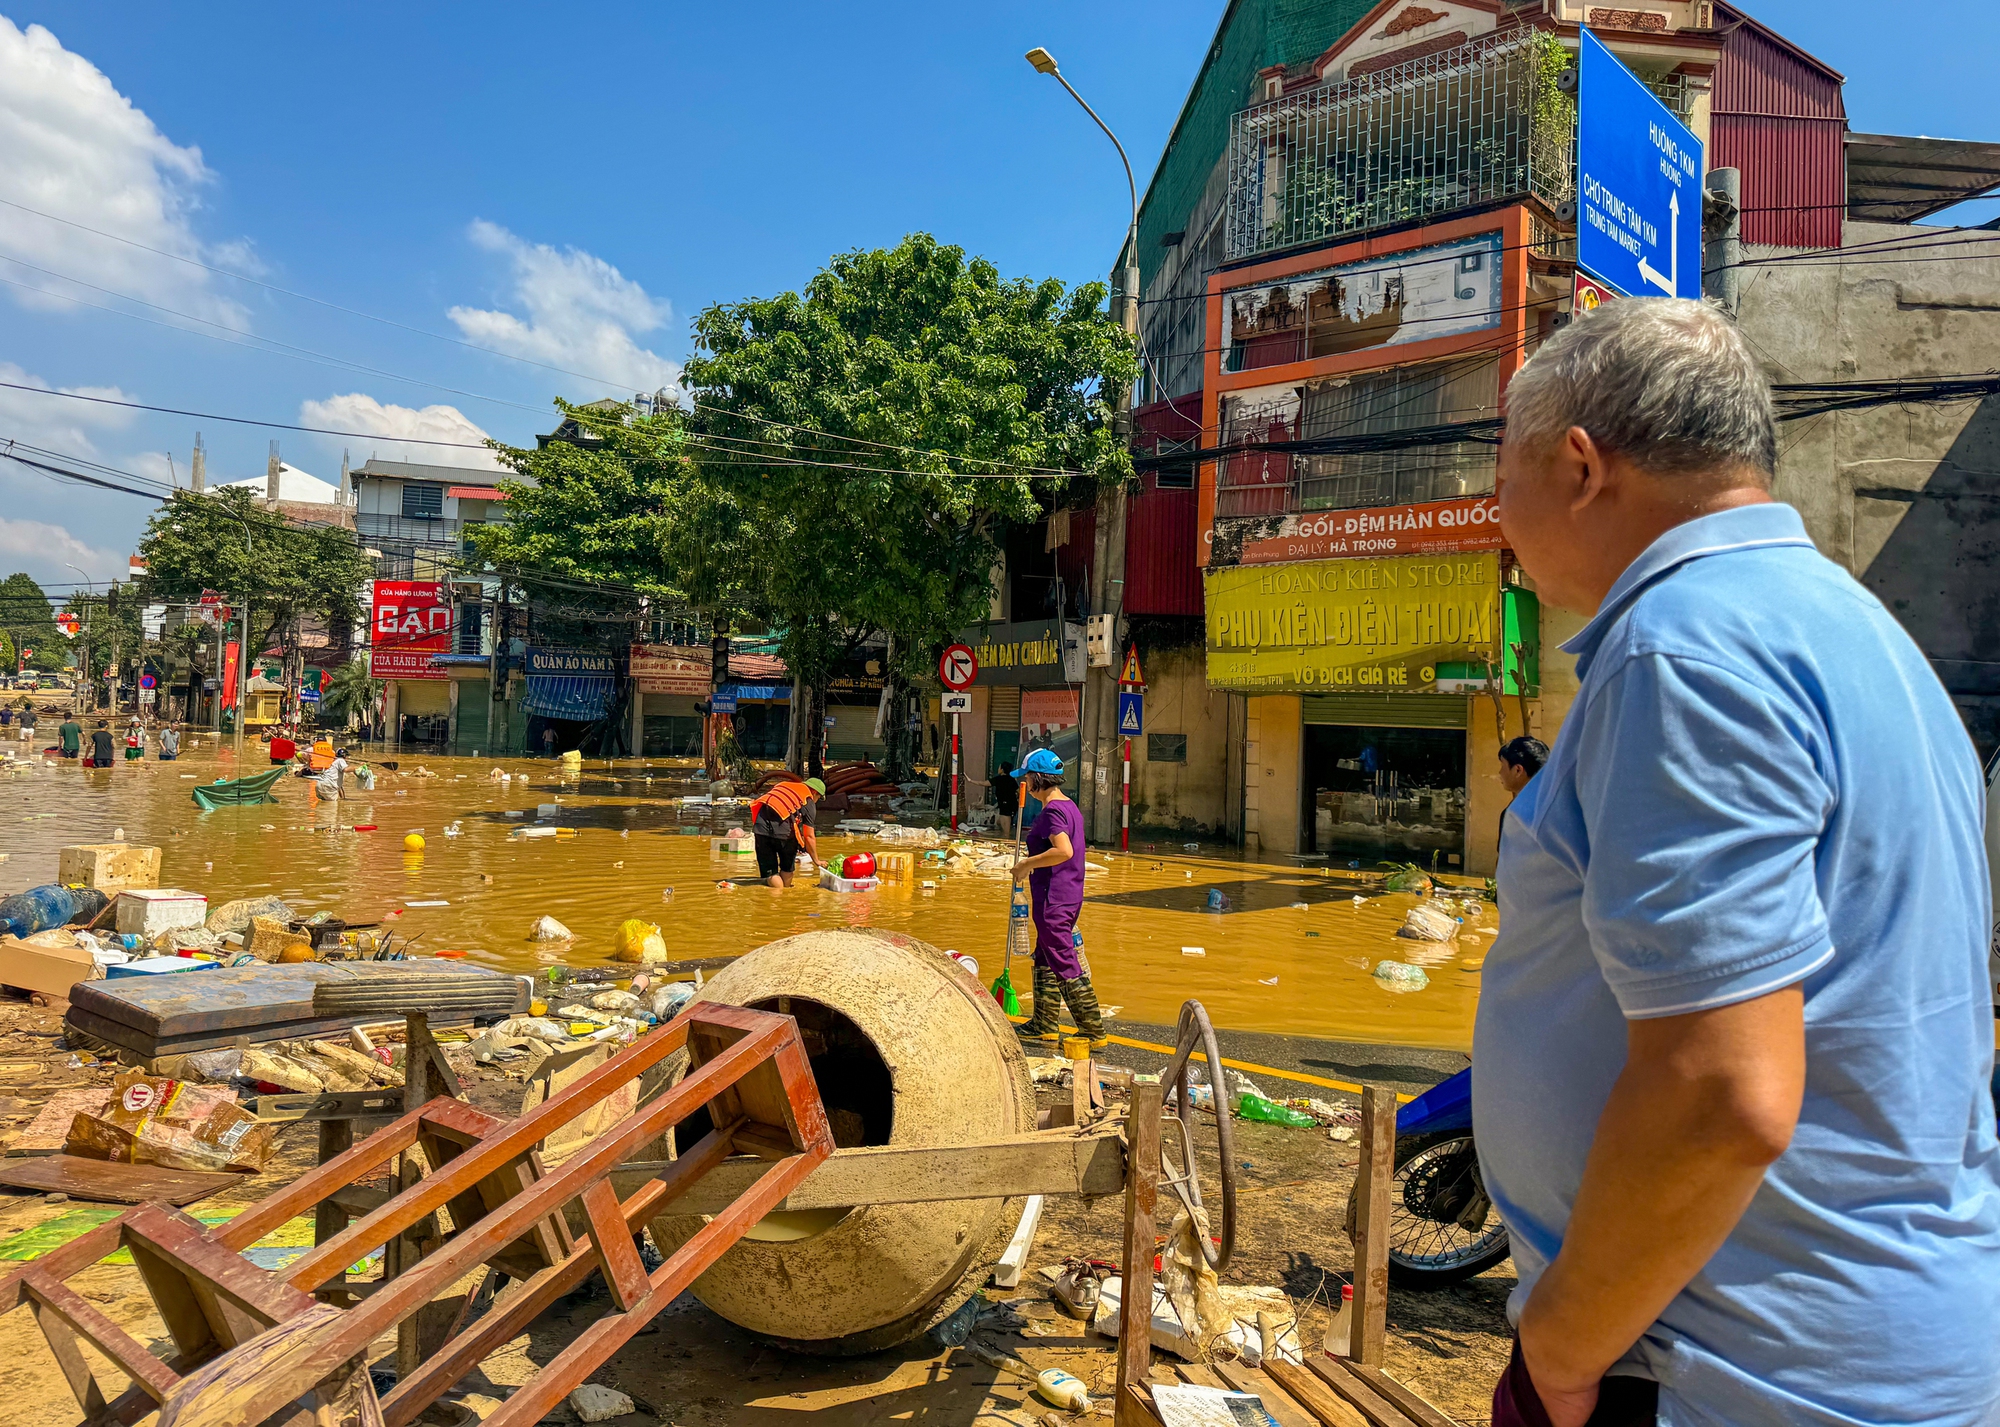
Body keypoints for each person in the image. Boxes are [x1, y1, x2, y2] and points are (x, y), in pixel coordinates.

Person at [1477, 298, 1999, 1427]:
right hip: (1872, 1349)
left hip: (1728, 1375)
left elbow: (1721, 1091)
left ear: (1578, 464)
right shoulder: (1867, 641)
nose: (1495, 515)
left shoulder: (1681, 648)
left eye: (1500, 476)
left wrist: (1558, 1351)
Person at [1009, 748, 1104, 1048]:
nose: (1023, 782)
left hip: (1055, 899)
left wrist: (1026, 864)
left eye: (1026, 777)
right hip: (1066, 895)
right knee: (1045, 956)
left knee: (1062, 959)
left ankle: (1092, 1029)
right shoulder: (1069, 806)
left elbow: (1064, 851)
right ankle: (1044, 1023)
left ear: (1037, 779)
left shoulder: (1053, 811)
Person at [749, 776, 825, 888]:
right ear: (814, 792)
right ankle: (784, 897)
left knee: (771, 874)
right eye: (818, 797)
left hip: (761, 829)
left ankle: (776, 895)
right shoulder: (808, 801)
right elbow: (809, 836)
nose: (816, 800)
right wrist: (816, 860)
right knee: (787, 868)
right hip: (785, 833)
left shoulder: (783, 785)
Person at [1495, 735, 1548, 846]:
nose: (1500, 772)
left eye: (1502, 766)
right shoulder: (1558, 807)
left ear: (1518, 770)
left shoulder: (1515, 814)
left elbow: (1507, 860)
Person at [989, 761, 1019, 838]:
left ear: (1002, 769)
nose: (998, 769)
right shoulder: (1012, 780)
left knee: (1006, 821)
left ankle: (1006, 838)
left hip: (1006, 803)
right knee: (1001, 821)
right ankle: (1005, 835)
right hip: (1010, 803)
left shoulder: (999, 779)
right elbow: (1018, 790)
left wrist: (971, 781)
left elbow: (984, 783)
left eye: (999, 767)